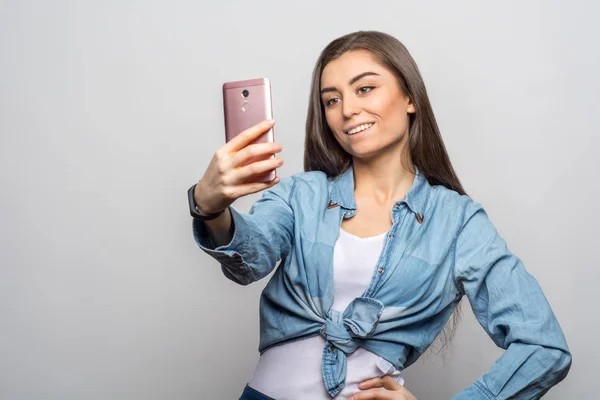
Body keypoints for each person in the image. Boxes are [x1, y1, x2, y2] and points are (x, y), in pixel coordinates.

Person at [188, 31, 571, 400]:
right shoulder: (302, 194)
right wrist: (209, 206)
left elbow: (544, 347)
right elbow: (247, 262)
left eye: (365, 88)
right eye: (331, 100)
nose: (348, 110)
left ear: (410, 98)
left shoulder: (459, 222)